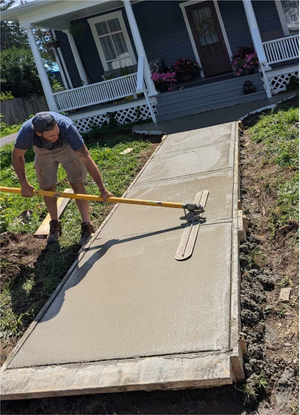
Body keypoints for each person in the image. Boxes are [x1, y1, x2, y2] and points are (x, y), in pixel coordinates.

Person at [12, 111, 113, 246]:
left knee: (77, 183)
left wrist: (102, 189)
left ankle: (86, 225)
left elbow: (86, 159)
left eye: (56, 131)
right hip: (42, 151)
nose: (56, 136)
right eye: (52, 135)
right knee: (47, 187)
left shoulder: (66, 128)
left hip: (67, 147)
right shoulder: (27, 132)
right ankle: (54, 224)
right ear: (38, 133)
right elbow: (17, 156)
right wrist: (23, 183)